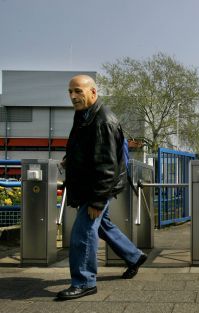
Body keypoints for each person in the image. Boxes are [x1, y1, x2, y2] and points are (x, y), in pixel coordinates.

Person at [57, 75, 147, 300]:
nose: (73, 96)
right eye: (70, 92)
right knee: (102, 226)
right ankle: (134, 256)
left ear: (93, 93)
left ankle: (85, 281)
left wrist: (98, 200)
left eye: (78, 91)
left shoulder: (103, 120)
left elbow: (106, 165)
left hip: (96, 188)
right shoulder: (84, 114)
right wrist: (71, 158)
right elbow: (87, 148)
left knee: (82, 234)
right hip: (92, 185)